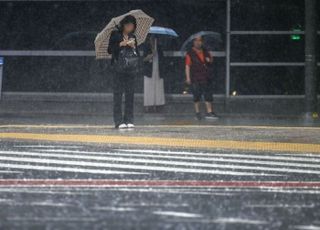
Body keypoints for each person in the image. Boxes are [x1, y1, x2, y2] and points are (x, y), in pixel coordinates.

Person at [108, 15, 139, 129]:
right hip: (118, 69)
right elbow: (110, 50)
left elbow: (137, 54)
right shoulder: (116, 35)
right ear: (123, 25)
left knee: (130, 95)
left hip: (130, 70)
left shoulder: (133, 36)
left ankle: (129, 119)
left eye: (132, 25)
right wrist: (122, 44)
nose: (130, 27)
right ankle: (118, 120)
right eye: (128, 25)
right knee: (118, 95)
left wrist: (133, 46)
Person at [185, 36, 218, 120]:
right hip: (195, 77)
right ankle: (197, 112)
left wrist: (209, 60)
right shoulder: (190, 53)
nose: (198, 42)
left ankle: (209, 112)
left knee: (208, 94)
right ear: (193, 42)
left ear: (202, 42)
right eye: (196, 40)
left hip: (206, 76)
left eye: (199, 40)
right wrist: (188, 77)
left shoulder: (206, 51)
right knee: (196, 95)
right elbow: (187, 66)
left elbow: (211, 60)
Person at [142, 36, 165, 112]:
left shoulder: (159, 47)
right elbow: (143, 59)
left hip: (158, 70)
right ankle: (148, 105)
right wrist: (151, 55)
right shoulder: (146, 47)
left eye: (154, 39)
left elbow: (162, 59)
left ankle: (157, 105)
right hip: (149, 71)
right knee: (148, 88)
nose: (153, 40)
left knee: (158, 88)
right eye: (151, 39)